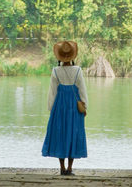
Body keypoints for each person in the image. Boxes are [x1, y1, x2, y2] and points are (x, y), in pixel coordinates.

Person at [42, 40, 88, 176]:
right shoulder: (78, 70)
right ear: (73, 56)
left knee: (60, 134)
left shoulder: (55, 71)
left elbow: (52, 92)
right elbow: (82, 90)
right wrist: (85, 106)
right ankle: (69, 168)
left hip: (59, 107)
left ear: (59, 56)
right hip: (74, 107)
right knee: (73, 134)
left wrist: (51, 108)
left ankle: (61, 168)